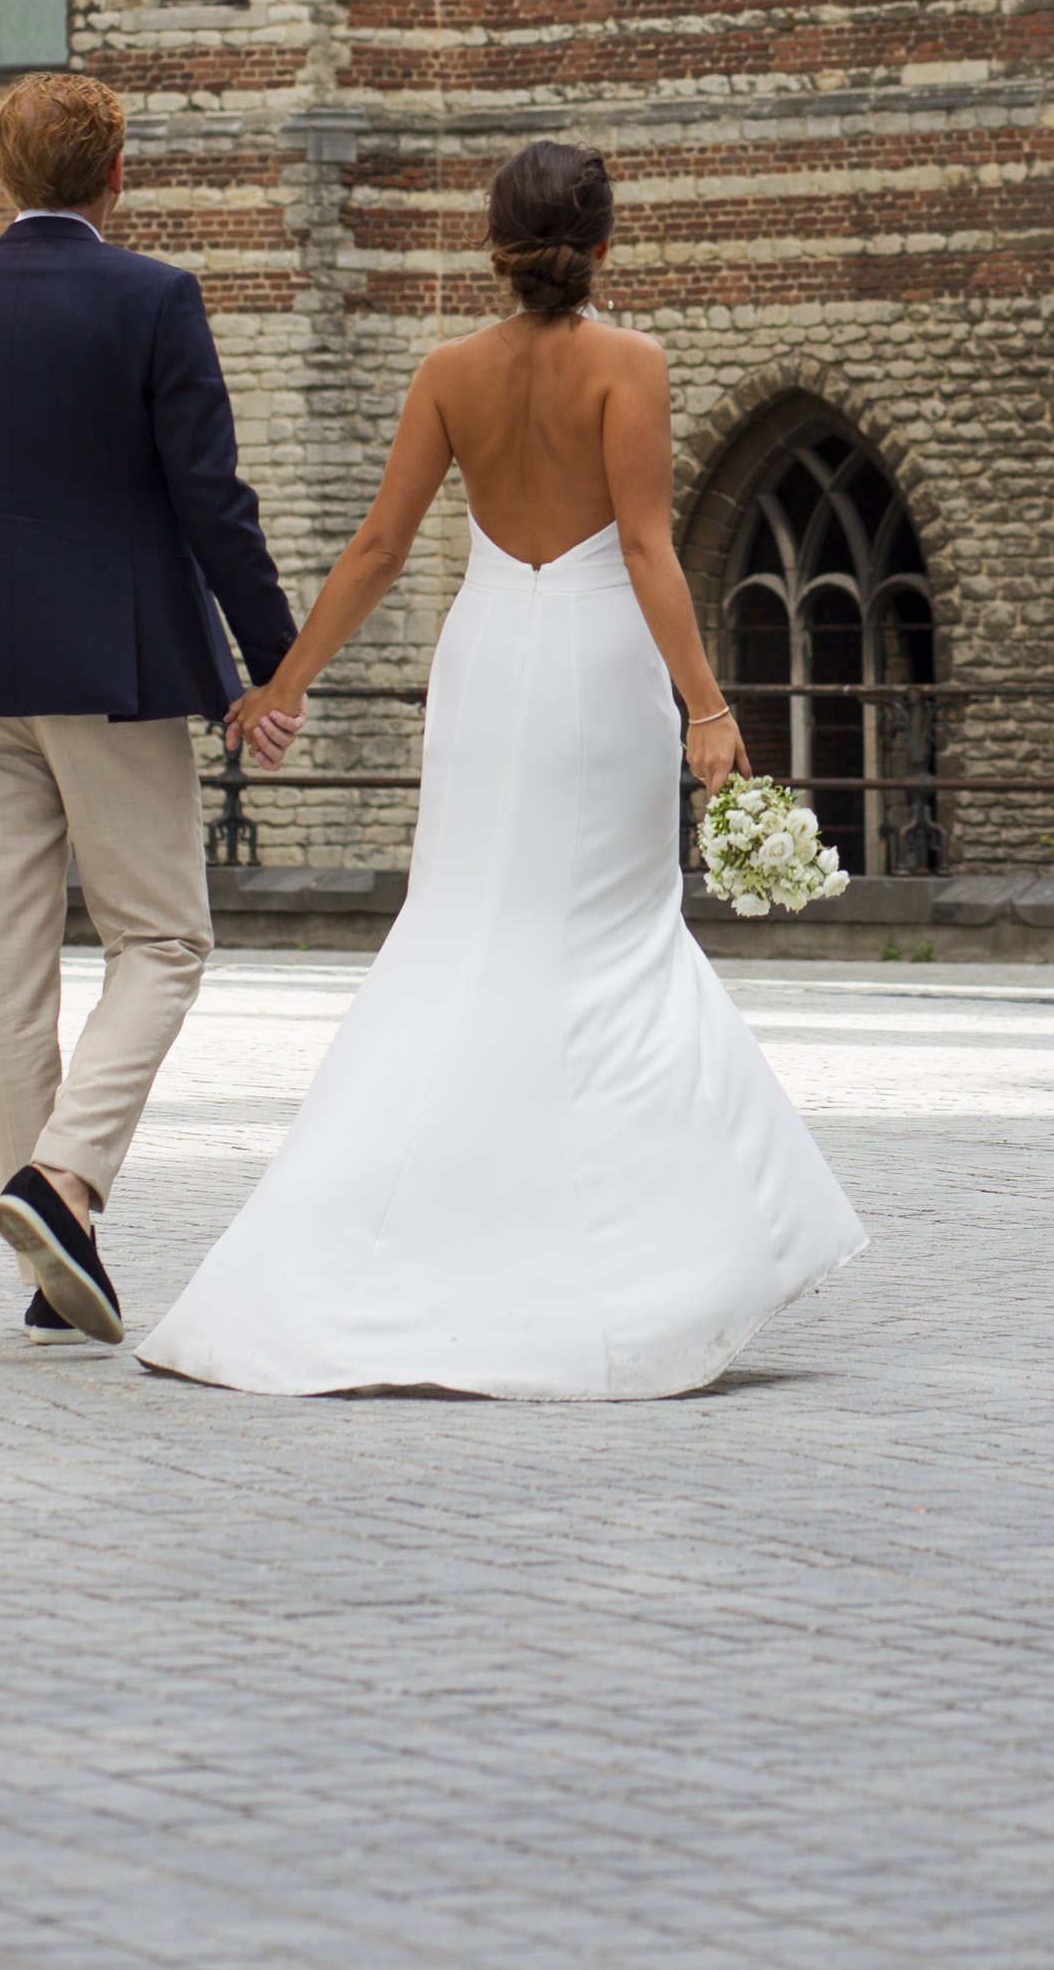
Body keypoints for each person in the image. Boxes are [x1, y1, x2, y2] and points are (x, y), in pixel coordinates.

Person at [136, 139, 867, 1400]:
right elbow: (645, 546)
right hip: (594, 666)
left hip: (484, 668)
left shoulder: (447, 372)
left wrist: (284, 683)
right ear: (604, 242)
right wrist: (706, 706)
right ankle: (659, 1258)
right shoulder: (628, 364)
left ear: (494, 241)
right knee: (612, 944)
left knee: (465, 929)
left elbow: (374, 547)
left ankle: (377, 1237)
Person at [0, 71, 300, 1346]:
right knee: (162, 942)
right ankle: (61, 1183)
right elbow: (212, 498)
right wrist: (267, 663)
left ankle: (57, 1260)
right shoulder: (153, 297)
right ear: (117, 178)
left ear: (7, 175)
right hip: (114, 673)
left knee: (3, 964)